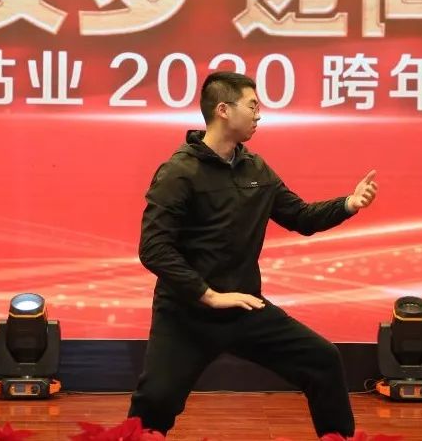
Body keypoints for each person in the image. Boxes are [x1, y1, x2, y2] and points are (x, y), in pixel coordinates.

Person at [128, 71, 378, 438]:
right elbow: (153, 248)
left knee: (322, 359)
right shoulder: (178, 172)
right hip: (186, 313)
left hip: (244, 307)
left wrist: (348, 204)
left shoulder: (256, 169)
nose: (259, 115)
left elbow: (301, 216)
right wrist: (208, 294)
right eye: (253, 106)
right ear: (224, 110)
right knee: (155, 401)